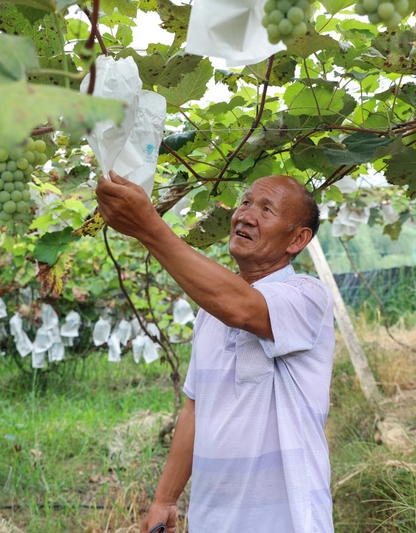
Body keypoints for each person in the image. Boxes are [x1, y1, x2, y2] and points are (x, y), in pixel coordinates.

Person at [96, 171, 335, 533]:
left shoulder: (307, 296)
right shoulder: (210, 310)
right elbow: (195, 408)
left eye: (266, 209)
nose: (245, 215)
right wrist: (165, 499)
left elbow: (241, 309)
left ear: (297, 239)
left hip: (286, 521)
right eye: (246, 202)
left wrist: (149, 227)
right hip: (212, 520)